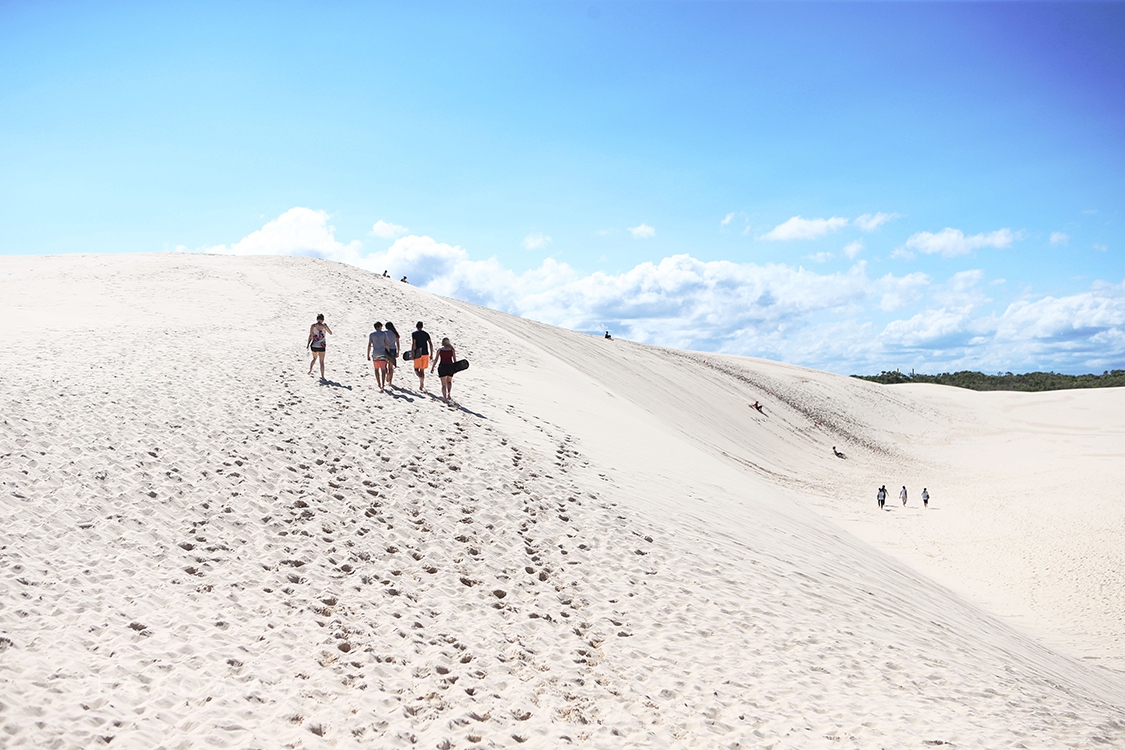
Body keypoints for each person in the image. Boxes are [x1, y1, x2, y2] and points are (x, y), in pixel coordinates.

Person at [431, 337, 457, 404]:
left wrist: (433, 367)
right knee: (449, 381)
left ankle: (445, 399)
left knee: (443, 385)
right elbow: (454, 360)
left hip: (442, 366)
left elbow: (436, 359)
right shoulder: (452, 350)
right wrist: (456, 368)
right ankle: (449, 393)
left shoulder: (440, 350)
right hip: (450, 367)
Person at [367, 322, 390, 391]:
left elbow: (369, 345)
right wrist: (388, 353)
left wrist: (368, 355)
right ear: (380, 326)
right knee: (383, 369)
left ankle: (379, 383)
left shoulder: (371, 334)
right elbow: (386, 344)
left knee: (376, 369)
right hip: (383, 353)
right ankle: (383, 384)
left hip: (375, 353)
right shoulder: (384, 334)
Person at [307, 313, 332, 378]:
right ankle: (323, 376)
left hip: (314, 345)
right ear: (323, 320)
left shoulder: (313, 326)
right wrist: (326, 326)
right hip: (322, 346)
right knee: (321, 362)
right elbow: (330, 333)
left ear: (317, 319)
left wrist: (308, 344)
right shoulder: (324, 326)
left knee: (314, 358)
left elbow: (310, 336)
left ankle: (310, 370)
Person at [411, 321, 433, 391]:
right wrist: (431, 354)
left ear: (416, 326)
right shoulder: (426, 334)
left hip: (418, 353)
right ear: (422, 327)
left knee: (416, 369)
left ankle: (420, 378)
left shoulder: (414, 334)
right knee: (422, 370)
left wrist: (412, 354)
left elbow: (413, 344)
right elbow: (430, 344)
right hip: (425, 353)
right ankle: (421, 384)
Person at [384, 322, 401, 387]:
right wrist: (398, 352)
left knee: (384, 366)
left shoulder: (384, 332)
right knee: (391, 367)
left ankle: (387, 374)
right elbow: (398, 344)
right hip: (393, 350)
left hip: (385, 350)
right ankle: (390, 382)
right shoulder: (395, 333)